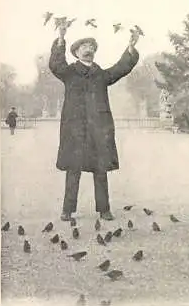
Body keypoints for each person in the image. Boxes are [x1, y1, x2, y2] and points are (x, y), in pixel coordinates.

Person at [49, 24, 140, 221]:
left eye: (91, 46)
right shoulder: (69, 72)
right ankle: (67, 210)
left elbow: (121, 68)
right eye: (83, 46)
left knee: (100, 168)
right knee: (73, 169)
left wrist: (131, 47)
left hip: (99, 129)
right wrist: (61, 38)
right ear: (76, 52)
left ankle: (104, 209)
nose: (88, 48)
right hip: (75, 129)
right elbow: (55, 65)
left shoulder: (102, 75)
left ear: (94, 51)